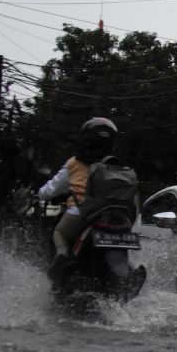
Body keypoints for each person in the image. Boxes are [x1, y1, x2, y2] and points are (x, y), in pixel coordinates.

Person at [37, 117, 118, 281]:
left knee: (59, 231)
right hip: (110, 214)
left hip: (80, 212)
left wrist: (40, 193)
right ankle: (125, 272)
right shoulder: (114, 163)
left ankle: (62, 255)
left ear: (86, 139)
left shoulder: (74, 163)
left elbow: (51, 189)